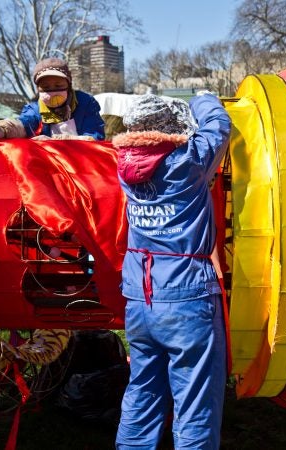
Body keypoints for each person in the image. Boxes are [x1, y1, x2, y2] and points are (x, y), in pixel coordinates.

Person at [112, 92, 231, 449]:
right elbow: (220, 125)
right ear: (175, 129)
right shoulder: (188, 161)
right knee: (195, 403)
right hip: (187, 298)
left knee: (142, 393)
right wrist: (204, 98)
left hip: (139, 298)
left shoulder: (124, 166)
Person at [0, 57, 105, 141]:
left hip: (82, 165)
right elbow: (22, 124)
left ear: (69, 84)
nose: (52, 92)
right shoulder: (35, 109)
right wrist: (2, 128)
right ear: (38, 89)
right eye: (46, 87)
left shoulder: (86, 103)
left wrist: (58, 141)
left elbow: (94, 137)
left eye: (58, 86)